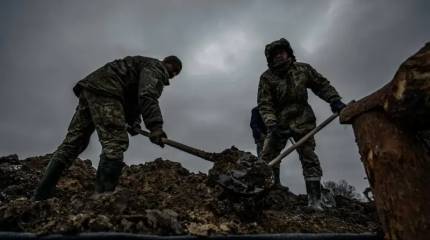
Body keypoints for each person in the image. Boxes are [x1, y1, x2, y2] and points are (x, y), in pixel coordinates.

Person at [32, 55, 182, 200]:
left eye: (175, 73)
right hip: (107, 90)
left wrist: (133, 123)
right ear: (165, 62)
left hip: (91, 88)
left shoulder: (142, 65)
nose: (172, 74)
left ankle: (40, 197)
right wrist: (155, 127)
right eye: (173, 69)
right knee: (115, 143)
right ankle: (102, 199)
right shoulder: (156, 67)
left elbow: (132, 99)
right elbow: (147, 94)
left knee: (74, 143)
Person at [257, 38, 346, 210]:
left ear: (288, 53)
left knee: (309, 157)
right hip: (279, 122)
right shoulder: (267, 78)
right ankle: (261, 194)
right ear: (270, 59)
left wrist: (334, 100)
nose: (279, 57)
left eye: (282, 53)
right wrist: (272, 125)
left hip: (303, 120)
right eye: (275, 55)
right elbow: (265, 104)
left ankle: (314, 201)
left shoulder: (302, 69)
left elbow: (321, 85)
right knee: (267, 157)